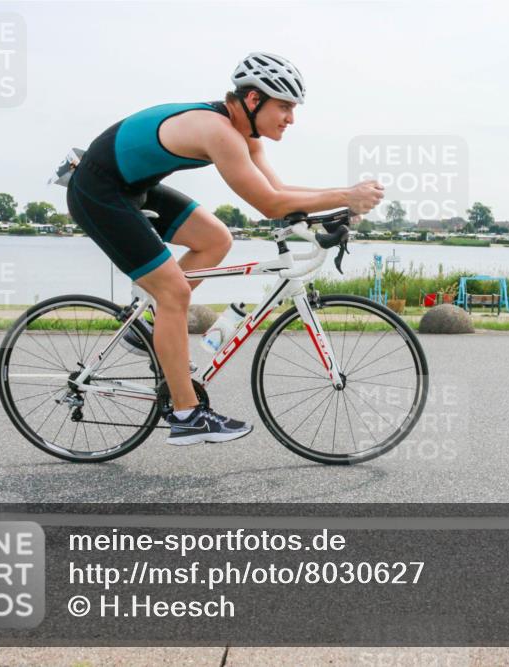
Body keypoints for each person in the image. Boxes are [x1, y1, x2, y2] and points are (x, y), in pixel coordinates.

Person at [66, 52, 384, 446]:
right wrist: (345, 195)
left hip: (132, 187)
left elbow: (280, 193)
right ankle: (186, 414)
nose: (291, 118)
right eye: (284, 107)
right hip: (98, 191)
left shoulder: (245, 136)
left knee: (216, 240)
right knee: (174, 292)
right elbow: (269, 205)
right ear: (253, 101)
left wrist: (336, 205)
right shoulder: (218, 131)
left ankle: (147, 327)